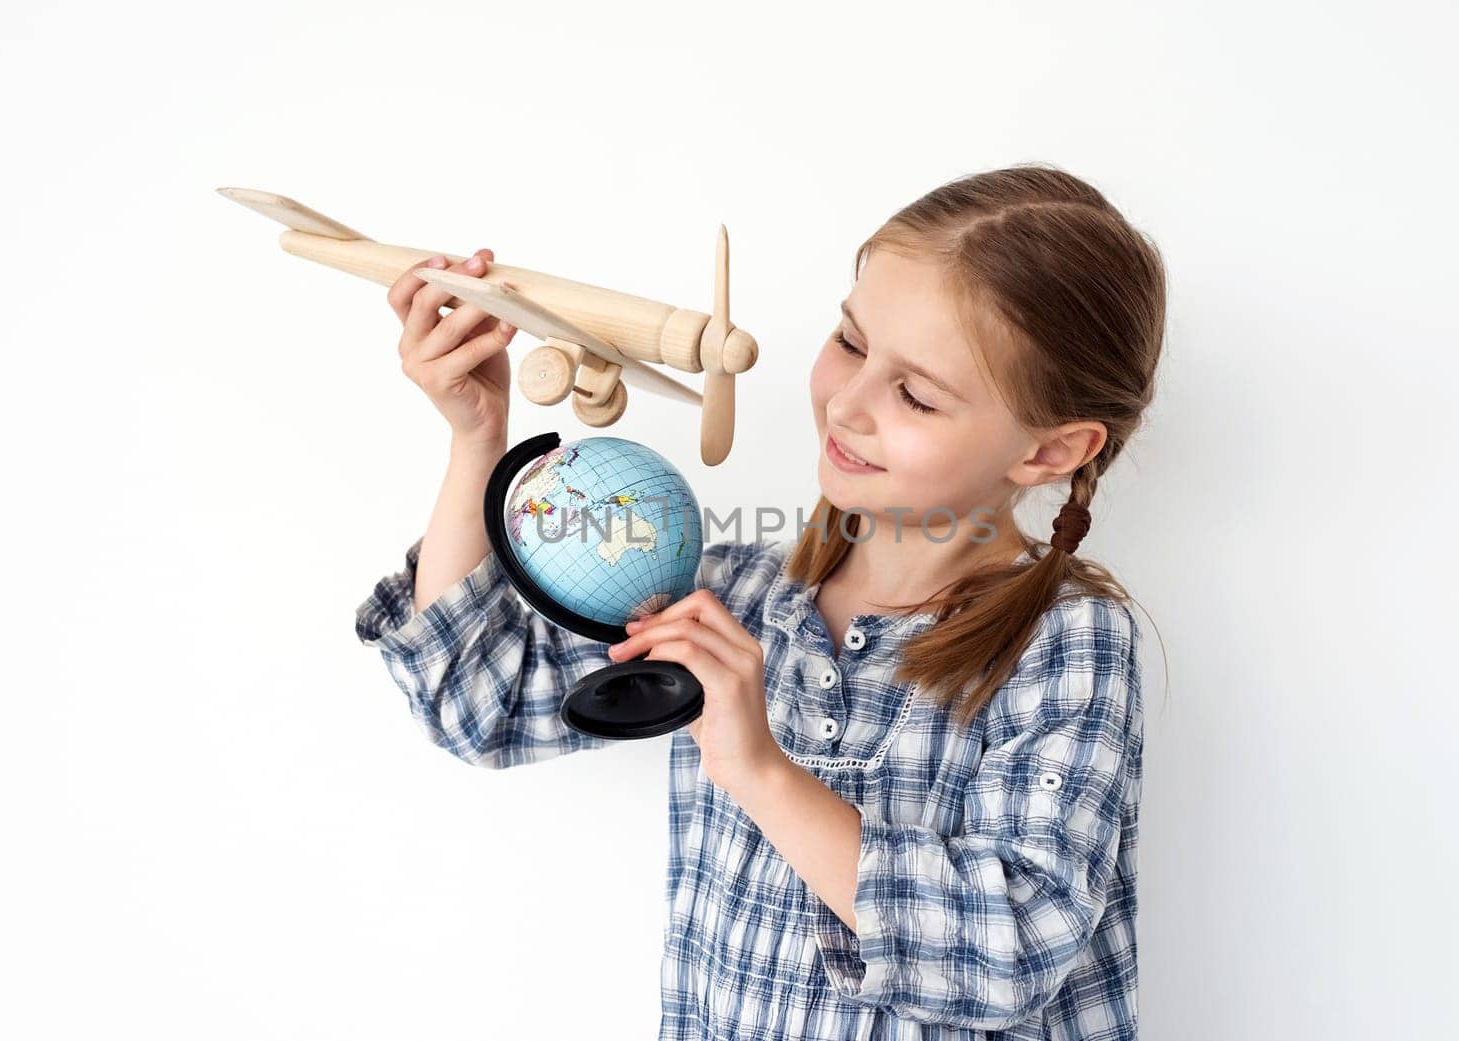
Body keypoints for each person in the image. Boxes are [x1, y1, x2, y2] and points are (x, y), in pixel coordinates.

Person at [355, 161, 1166, 1040]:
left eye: (916, 394)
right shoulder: (729, 593)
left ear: (1049, 453)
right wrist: (479, 442)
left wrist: (758, 766)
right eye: (851, 343)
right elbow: (480, 702)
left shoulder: (1069, 641)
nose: (847, 404)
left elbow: (1007, 955)